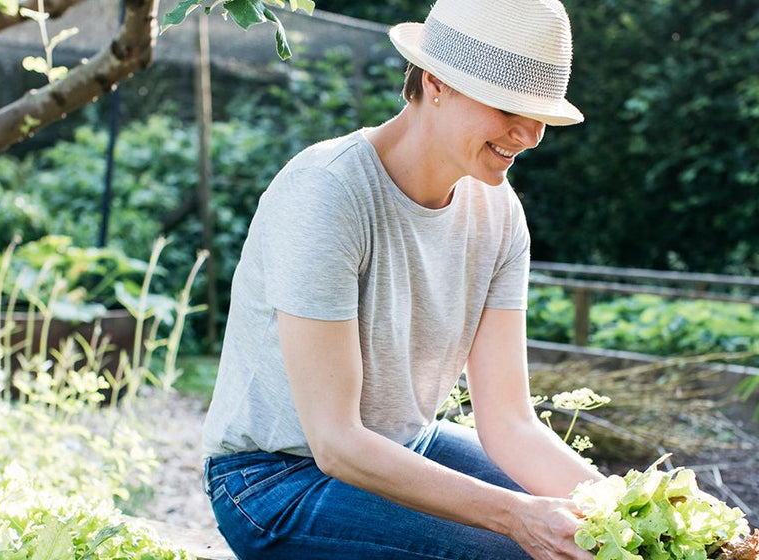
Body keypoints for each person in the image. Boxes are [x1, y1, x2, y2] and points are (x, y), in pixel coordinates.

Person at [200, 0, 602, 558]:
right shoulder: (327, 191)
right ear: (436, 82)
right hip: (275, 480)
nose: (531, 134)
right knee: (527, 550)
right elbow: (336, 444)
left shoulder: (500, 212)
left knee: (597, 533)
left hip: (408, 447)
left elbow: (510, 422)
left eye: (542, 114)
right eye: (510, 105)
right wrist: (515, 518)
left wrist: (641, 511)